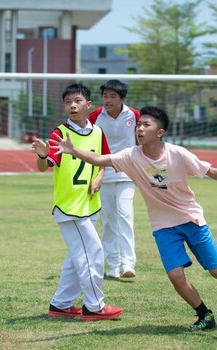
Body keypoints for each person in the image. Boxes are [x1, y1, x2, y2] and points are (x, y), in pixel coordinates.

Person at [50, 106, 217, 330]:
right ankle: (204, 315)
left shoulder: (178, 153)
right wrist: (74, 151)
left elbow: (210, 171)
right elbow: (100, 159)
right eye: (138, 124)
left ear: (160, 132)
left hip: (192, 220)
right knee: (175, 275)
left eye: (146, 125)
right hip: (164, 227)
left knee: (215, 271)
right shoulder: (131, 156)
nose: (139, 128)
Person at [31, 83, 123, 321]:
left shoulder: (97, 132)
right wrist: (43, 155)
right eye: (68, 102)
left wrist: (99, 179)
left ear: (88, 105)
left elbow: (103, 161)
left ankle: (61, 304)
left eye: (77, 101)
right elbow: (44, 167)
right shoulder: (60, 133)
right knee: (92, 253)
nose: (72, 105)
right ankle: (94, 306)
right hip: (70, 207)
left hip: (90, 205)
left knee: (75, 258)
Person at [88, 80, 140, 278]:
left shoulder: (133, 115)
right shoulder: (95, 116)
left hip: (127, 173)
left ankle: (128, 263)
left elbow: (139, 140)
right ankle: (112, 265)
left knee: (125, 216)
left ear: (122, 99)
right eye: (105, 96)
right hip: (103, 174)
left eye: (112, 96)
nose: (107, 100)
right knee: (108, 221)